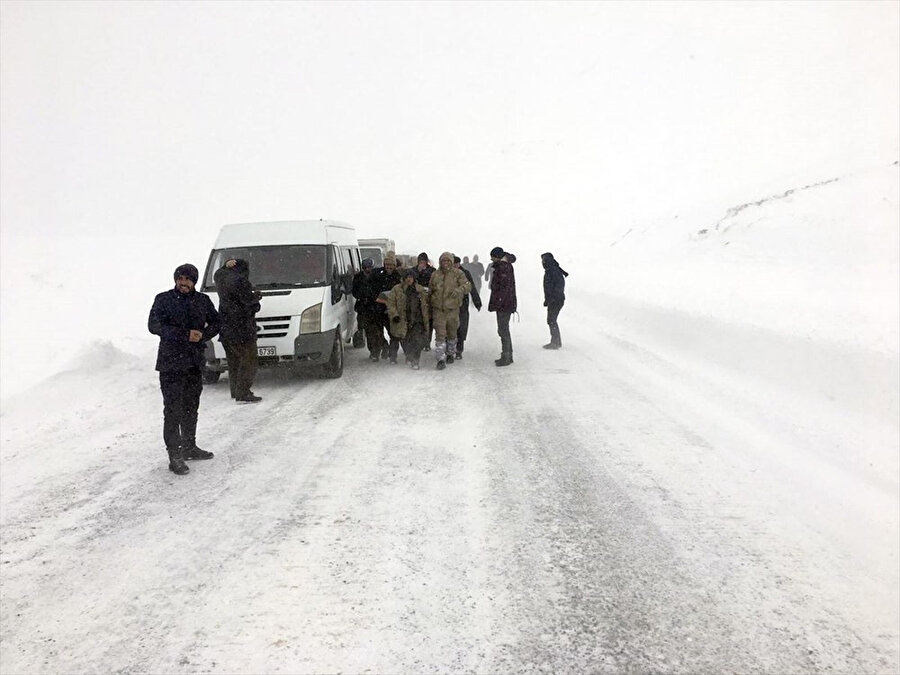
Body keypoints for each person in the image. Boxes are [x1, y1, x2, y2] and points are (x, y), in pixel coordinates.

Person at [148, 264, 220, 475]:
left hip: (194, 363)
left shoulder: (203, 301)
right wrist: (184, 334)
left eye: (188, 279)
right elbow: (154, 325)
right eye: (180, 278)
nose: (183, 283)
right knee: (173, 410)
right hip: (170, 365)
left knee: (191, 407)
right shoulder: (163, 299)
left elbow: (217, 323)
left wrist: (203, 335)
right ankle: (175, 454)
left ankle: (189, 446)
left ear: (194, 282)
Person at [214, 258, 262, 402]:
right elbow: (247, 303)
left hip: (226, 329)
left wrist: (225, 265)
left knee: (234, 362)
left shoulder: (220, 278)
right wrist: (256, 298)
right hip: (242, 329)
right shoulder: (241, 281)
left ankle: (235, 390)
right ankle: (243, 392)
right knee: (249, 361)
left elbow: (217, 273)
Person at [428, 251, 471, 370]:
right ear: (440, 262)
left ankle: (451, 353)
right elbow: (430, 289)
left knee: (452, 333)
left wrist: (459, 290)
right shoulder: (435, 275)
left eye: (448, 261)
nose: (445, 263)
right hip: (439, 310)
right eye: (443, 261)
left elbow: (468, 286)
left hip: (452, 309)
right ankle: (440, 359)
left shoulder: (458, 274)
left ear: (451, 262)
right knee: (440, 335)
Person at [385, 268, 430, 370]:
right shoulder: (397, 289)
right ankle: (409, 356)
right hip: (403, 320)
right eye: (407, 277)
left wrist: (427, 317)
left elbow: (427, 304)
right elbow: (391, 304)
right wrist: (394, 315)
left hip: (418, 320)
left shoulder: (420, 290)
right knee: (406, 340)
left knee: (417, 341)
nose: (409, 279)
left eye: (411, 277)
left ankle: (415, 360)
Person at [488, 246, 517, 367]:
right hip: (506, 304)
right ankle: (507, 355)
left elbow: (503, 289)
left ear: (498, 256)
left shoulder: (503, 267)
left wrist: (498, 303)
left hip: (504, 305)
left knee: (503, 330)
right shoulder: (505, 266)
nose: (491, 259)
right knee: (504, 330)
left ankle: (506, 356)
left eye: (492, 256)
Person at [371, 254, 402, 361]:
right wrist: (377, 298)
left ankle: (393, 355)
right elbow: (371, 289)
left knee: (394, 333)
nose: (388, 267)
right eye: (386, 264)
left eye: (391, 265)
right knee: (377, 333)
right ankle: (382, 348)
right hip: (378, 308)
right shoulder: (377, 274)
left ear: (394, 265)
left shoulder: (398, 277)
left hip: (392, 310)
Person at [352, 258, 383, 361]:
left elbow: (380, 290)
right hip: (363, 308)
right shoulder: (358, 278)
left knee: (377, 331)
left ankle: (377, 351)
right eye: (365, 268)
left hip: (375, 307)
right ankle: (373, 351)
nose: (367, 270)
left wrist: (372, 297)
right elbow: (354, 292)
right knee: (368, 331)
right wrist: (362, 296)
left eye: (369, 267)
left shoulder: (377, 277)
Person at [453, 255, 482, 359]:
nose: (454, 266)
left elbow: (472, 288)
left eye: (456, 264)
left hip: (462, 304)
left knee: (461, 326)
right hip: (450, 304)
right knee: (451, 327)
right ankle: (450, 349)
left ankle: (459, 350)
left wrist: (477, 301)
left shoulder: (465, 273)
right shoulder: (447, 273)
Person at [541, 252, 568, 349]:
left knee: (551, 320)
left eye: (543, 260)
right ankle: (556, 341)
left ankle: (555, 342)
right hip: (555, 299)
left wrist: (552, 298)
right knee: (552, 320)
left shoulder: (554, 271)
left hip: (556, 300)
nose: (542, 263)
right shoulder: (552, 270)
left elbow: (558, 287)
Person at [414, 252, 436, 350]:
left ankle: (427, 342)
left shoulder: (432, 271)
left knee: (429, 322)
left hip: (428, 300)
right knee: (419, 322)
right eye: (420, 261)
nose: (422, 263)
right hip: (416, 300)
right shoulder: (413, 270)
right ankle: (419, 342)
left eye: (424, 261)